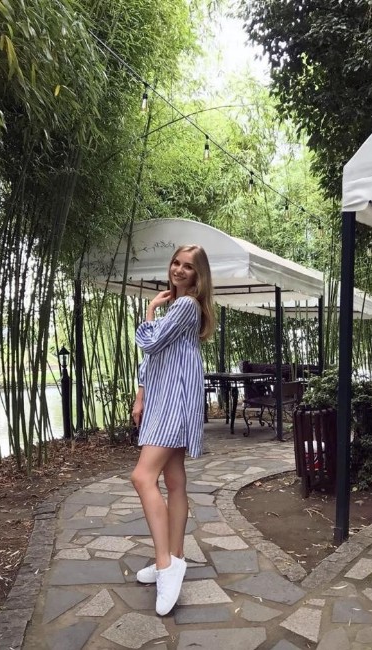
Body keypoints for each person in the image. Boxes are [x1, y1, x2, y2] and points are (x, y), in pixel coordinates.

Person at [131, 244, 215, 616]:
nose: (179, 270)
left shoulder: (184, 306)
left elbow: (150, 342)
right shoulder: (180, 307)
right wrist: (141, 395)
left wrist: (150, 310)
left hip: (173, 401)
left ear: (199, 275)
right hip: (168, 397)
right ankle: (175, 557)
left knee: (142, 477)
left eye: (188, 266)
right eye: (176, 263)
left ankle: (166, 565)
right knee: (175, 480)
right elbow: (155, 359)